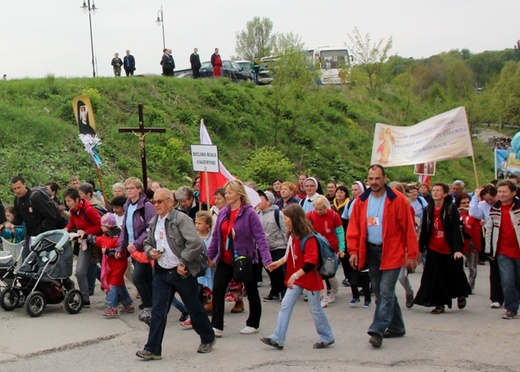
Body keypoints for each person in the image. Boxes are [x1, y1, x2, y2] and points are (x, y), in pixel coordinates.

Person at [136, 188, 215, 360]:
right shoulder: (154, 222)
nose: (156, 205)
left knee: (193, 307)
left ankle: (208, 337)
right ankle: (153, 349)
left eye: (160, 201)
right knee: (158, 311)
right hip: (162, 272)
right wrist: (151, 253)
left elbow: (195, 243)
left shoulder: (181, 219)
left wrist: (183, 262)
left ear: (170, 202)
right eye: (154, 202)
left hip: (182, 273)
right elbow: (147, 243)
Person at [347, 164, 418, 348]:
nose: (374, 182)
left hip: (392, 252)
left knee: (386, 290)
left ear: (384, 178)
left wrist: (412, 254)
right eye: (370, 179)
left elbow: (409, 229)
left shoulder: (397, 199)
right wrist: (353, 251)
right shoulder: (361, 201)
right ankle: (397, 327)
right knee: (379, 291)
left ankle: (377, 330)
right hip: (371, 252)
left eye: (377, 178)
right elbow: (353, 229)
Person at [260, 204, 335, 350]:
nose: (284, 220)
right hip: (298, 278)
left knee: (315, 309)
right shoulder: (292, 235)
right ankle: (278, 338)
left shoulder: (309, 238)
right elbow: (290, 254)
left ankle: (327, 336)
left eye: (286, 218)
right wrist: (279, 263)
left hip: (309, 278)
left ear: (294, 219)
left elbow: (310, 263)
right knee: (285, 306)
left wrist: (294, 275)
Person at [207, 180, 273, 337]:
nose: (226, 196)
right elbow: (216, 237)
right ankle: (216, 325)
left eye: (229, 193)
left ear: (239, 194)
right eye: (226, 193)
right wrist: (210, 256)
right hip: (225, 257)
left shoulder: (250, 213)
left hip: (244, 258)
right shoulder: (224, 212)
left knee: (251, 290)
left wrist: (267, 260)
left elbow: (260, 238)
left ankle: (253, 323)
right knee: (217, 289)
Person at [414, 183, 471, 314]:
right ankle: (440, 303)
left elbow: (456, 230)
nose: (435, 192)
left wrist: (457, 249)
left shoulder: (451, 209)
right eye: (433, 190)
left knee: (454, 274)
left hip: (449, 248)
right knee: (436, 276)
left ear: (445, 194)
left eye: (439, 190)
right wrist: (420, 248)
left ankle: (461, 294)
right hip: (434, 247)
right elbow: (424, 230)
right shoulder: (428, 209)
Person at [115, 177, 156, 321]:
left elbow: (150, 228)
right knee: (145, 278)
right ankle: (152, 302)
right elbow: (124, 230)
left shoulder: (146, 206)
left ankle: (149, 306)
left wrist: (137, 244)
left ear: (139, 189)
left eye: (132, 188)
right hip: (132, 248)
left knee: (138, 277)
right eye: (127, 188)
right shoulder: (128, 206)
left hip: (143, 247)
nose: (129, 191)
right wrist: (120, 247)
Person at [84, 213, 134, 317]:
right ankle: (128, 304)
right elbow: (97, 240)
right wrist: (85, 236)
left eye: (102, 225)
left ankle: (112, 307)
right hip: (110, 266)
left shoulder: (119, 238)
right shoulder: (104, 236)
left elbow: (121, 253)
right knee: (119, 285)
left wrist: (107, 252)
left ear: (108, 226)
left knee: (113, 286)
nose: (101, 227)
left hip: (119, 265)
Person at [485, 180, 520, 320]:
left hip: (518, 251)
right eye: (499, 191)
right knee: (507, 281)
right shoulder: (495, 209)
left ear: (513, 192)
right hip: (503, 252)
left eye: (505, 191)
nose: (502, 194)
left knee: (517, 281)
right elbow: (489, 230)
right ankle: (511, 308)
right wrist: (489, 250)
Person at [64, 187, 102, 307]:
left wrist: (86, 232)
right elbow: (72, 223)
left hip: (95, 243)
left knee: (83, 271)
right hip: (83, 242)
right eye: (66, 201)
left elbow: (101, 225)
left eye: (69, 201)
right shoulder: (74, 211)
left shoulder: (89, 210)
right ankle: (85, 299)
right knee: (84, 271)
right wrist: (65, 229)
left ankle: (122, 296)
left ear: (77, 199)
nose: (67, 204)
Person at [210, 188, 245, 313]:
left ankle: (239, 302)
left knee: (239, 282)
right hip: (223, 254)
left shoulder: (245, 212)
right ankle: (216, 322)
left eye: (219, 198)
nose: (216, 201)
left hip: (239, 255)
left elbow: (258, 236)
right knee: (218, 286)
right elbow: (215, 235)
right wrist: (210, 255)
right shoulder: (216, 212)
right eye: (215, 198)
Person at [307, 195, 345, 307]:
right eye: (316, 209)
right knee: (319, 273)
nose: (318, 212)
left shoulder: (334, 215)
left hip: (331, 248)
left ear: (326, 207)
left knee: (329, 273)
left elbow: (340, 232)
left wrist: (341, 248)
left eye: (321, 209)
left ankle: (334, 290)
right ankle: (323, 296)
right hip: (316, 247)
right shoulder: (310, 215)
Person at [470, 184, 503, 307]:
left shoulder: (504, 205)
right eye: (487, 200)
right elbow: (473, 212)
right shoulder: (483, 205)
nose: (489, 202)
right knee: (494, 271)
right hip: (491, 241)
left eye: (491, 199)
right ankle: (496, 298)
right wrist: (475, 196)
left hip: (505, 240)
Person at [11, 175, 59, 259]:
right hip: (30, 236)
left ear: (25, 185)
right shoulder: (17, 200)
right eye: (14, 189)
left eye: (19, 187)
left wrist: (46, 234)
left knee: (43, 262)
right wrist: (11, 224)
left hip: (44, 235)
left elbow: (50, 216)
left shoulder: (35, 197)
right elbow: (19, 217)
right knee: (26, 261)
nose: (17, 191)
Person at [257, 190, 287, 302]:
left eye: (261, 199)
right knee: (269, 269)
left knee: (278, 269)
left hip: (279, 245)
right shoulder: (257, 214)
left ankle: (283, 290)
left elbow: (285, 230)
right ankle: (275, 291)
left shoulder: (278, 213)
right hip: (264, 248)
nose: (258, 201)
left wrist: (288, 246)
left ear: (269, 202)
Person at [456, 193, 481, 292]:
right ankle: (460, 285)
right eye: (463, 203)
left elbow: (482, 219)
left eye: (468, 202)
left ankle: (470, 286)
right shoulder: (455, 213)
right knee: (458, 267)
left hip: (472, 244)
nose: (466, 204)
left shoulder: (474, 213)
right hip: (460, 245)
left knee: (472, 268)